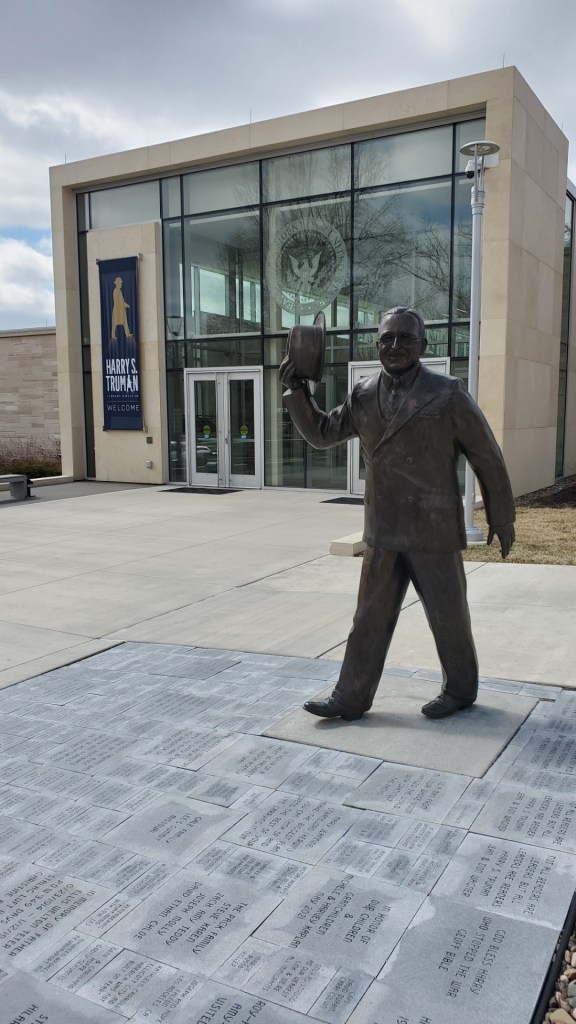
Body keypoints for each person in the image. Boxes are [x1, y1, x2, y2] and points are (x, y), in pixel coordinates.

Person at [279, 306, 515, 721]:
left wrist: (503, 516)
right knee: (368, 618)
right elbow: (321, 434)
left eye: (405, 338)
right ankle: (351, 697)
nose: (395, 345)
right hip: (384, 528)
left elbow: (487, 458)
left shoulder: (448, 393)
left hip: (433, 529)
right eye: (388, 338)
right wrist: (298, 391)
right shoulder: (363, 393)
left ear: (423, 345)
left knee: (449, 616)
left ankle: (460, 689)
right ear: (377, 344)